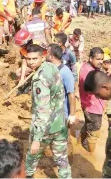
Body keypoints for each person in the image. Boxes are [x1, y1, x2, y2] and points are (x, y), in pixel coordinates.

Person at [24, 44, 71, 178]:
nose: (31, 62)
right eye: (29, 59)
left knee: (32, 157)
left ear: (43, 57)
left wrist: (37, 139)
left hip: (45, 128)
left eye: (34, 59)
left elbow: (42, 110)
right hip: (60, 123)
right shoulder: (52, 67)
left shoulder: (40, 80)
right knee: (62, 161)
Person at [79, 47, 105, 153]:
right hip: (92, 106)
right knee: (94, 130)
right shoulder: (88, 73)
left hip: (89, 104)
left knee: (88, 124)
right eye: (98, 59)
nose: (101, 62)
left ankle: (81, 140)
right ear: (91, 58)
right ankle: (90, 153)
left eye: (102, 59)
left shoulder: (87, 67)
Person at [47, 44, 76, 124]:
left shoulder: (65, 72)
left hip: (62, 115)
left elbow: (71, 94)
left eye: (47, 53)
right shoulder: (49, 69)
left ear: (51, 56)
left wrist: (72, 114)